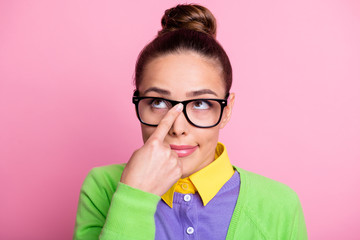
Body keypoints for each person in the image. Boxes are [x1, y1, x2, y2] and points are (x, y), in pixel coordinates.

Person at [73, 3, 307, 240]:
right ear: (139, 102)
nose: (177, 128)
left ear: (226, 110)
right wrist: (135, 197)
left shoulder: (280, 205)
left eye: (200, 104)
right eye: (158, 102)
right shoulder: (103, 187)